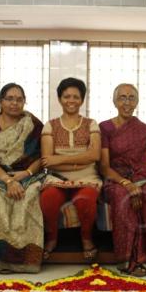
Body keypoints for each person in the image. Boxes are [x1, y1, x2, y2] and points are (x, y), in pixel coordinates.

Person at [0, 83, 45, 273]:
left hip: (28, 174)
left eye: (19, 99)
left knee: (30, 196)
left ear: (24, 102)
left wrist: (27, 173)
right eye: (9, 99)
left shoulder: (33, 124)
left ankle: (26, 260)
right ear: (1, 102)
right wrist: (8, 181)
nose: (14, 103)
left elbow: (41, 157)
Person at [99, 83, 146, 277]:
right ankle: (128, 259)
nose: (127, 102)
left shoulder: (145, 130)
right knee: (122, 197)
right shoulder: (105, 128)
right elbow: (104, 166)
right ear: (114, 101)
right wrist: (126, 184)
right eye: (122, 98)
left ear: (137, 101)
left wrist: (137, 184)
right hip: (115, 180)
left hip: (142, 177)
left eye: (131, 98)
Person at [39, 77, 101, 261]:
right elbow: (47, 162)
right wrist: (80, 160)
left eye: (76, 96)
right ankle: (51, 239)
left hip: (88, 177)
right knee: (47, 199)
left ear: (82, 100)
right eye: (66, 96)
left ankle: (87, 239)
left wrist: (60, 158)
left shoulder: (91, 124)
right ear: (59, 99)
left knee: (86, 199)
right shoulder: (50, 125)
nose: (71, 100)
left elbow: (95, 156)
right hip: (57, 178)